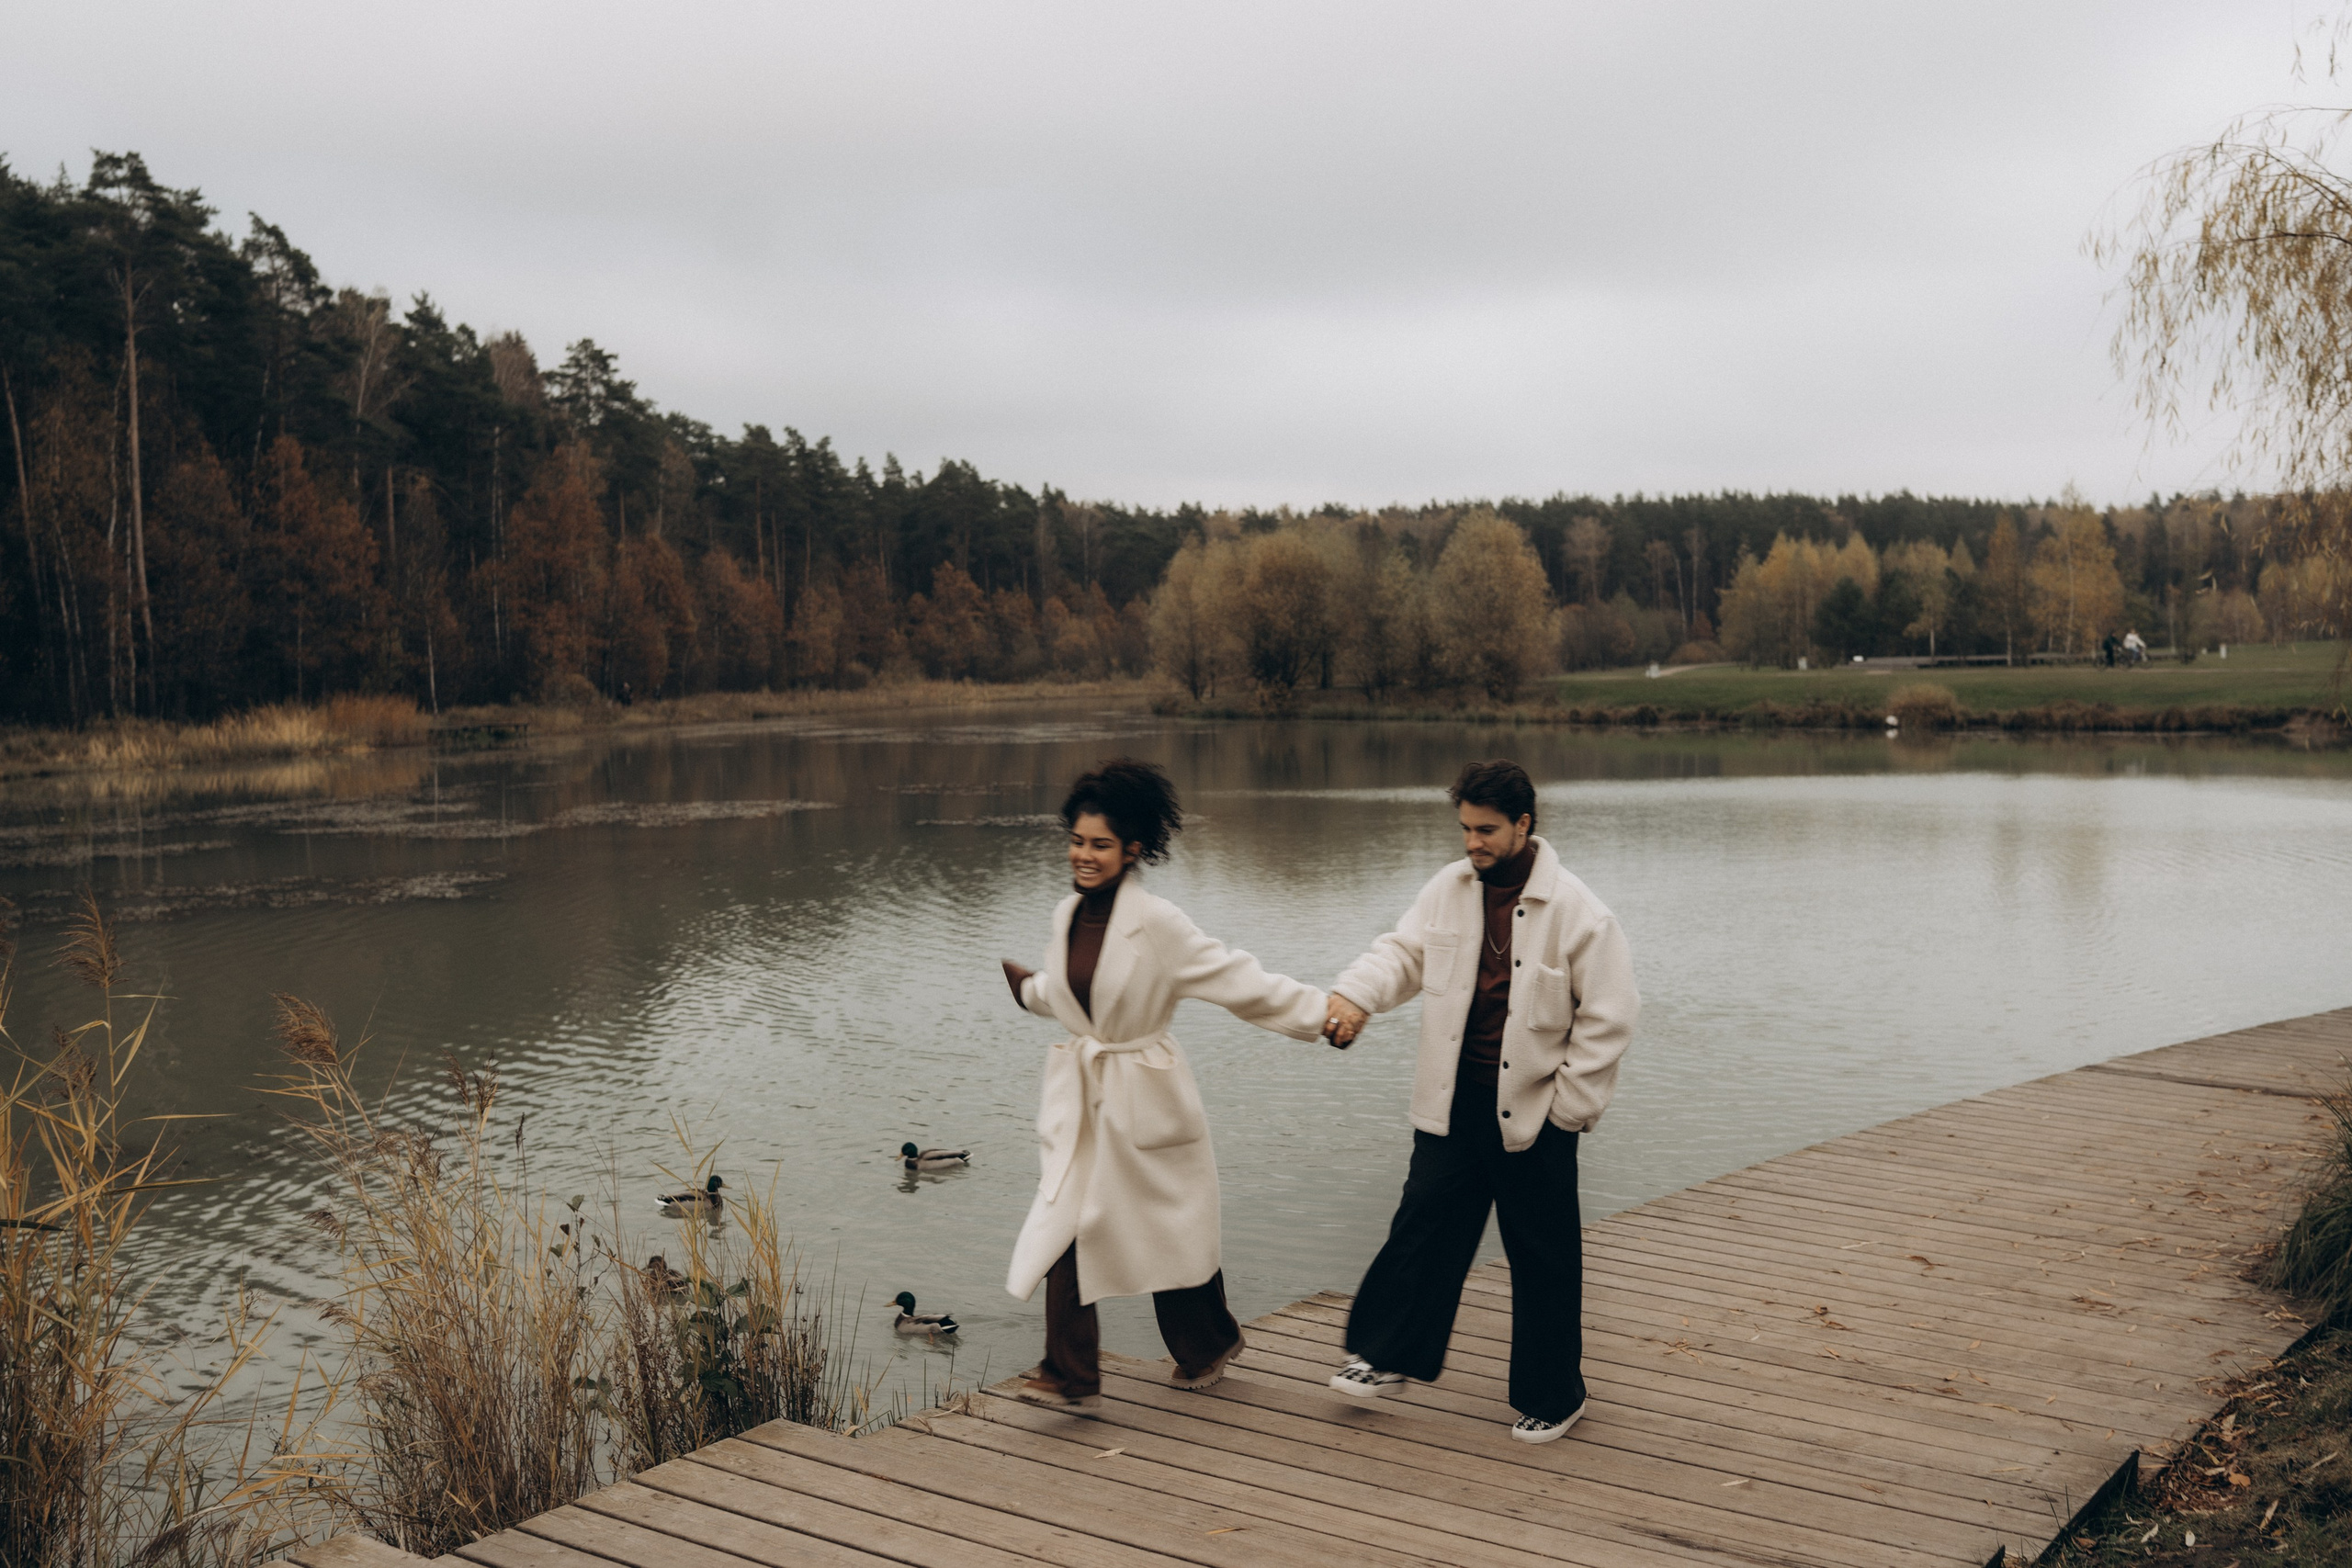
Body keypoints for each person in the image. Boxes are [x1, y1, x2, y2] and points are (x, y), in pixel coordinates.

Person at [1321, 760, 1638, 1444]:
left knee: (1543, 1256)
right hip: (1455, 1102)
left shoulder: (1581, 912)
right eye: (1465, 827)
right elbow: (1402, 954)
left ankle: (1555, 1395)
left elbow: (1610, 1017)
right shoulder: (1448, 888)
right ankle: (1388, 1356)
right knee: (1422, 1227)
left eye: (1487, 829)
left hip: (1535, 1111)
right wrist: (1354, 994)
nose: (1473, 842)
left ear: (1525, 824)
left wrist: (1568, 1109)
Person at [1000, 759, 1331, 1407]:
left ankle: (1206, 1343)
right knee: (1070, 1220)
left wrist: (1325, 1016)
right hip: (1087, 1101)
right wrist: (1030, 991)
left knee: (1164, 1233)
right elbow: (1074, 992)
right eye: (1077, 840)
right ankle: (1071, 1371)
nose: (1084, 855)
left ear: (1132, 849)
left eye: (1099, 844)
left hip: (1144, 1095)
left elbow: (1240, 981)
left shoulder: (1158, 922)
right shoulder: (1067, 913)